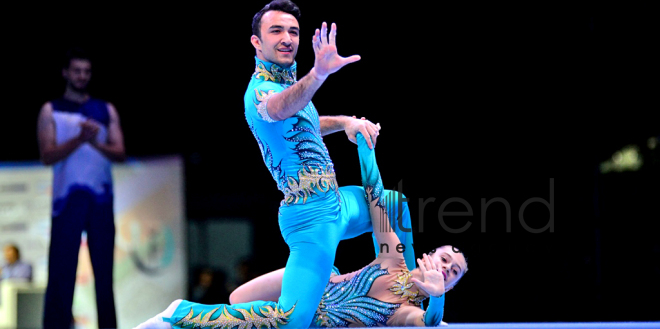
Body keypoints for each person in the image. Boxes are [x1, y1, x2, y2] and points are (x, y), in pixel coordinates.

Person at [133, 133, 468, 327]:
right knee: (239, 298)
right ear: (427, 256)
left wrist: (435, 300)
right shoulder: (395, 260)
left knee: (265, 318)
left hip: (308, 319)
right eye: (445, 259)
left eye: (453, 272)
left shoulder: (408, 311)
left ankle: (178, 315)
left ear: (450, 286)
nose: (446, 268)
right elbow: (378, 200)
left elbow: (426, 326)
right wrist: (366, 144)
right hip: (316, 281)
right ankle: (177, 315)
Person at [37, 47, 126, 329]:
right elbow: (46, 155)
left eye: (86, 72)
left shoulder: (105, 109)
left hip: (100, 197)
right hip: (67, 200)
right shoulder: (51, 109)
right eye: (76, 71)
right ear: (66, 73)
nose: (82, 76)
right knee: (61, 271)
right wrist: (79, 139)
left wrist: (93, 141)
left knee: (104, 274)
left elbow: (120, 152)